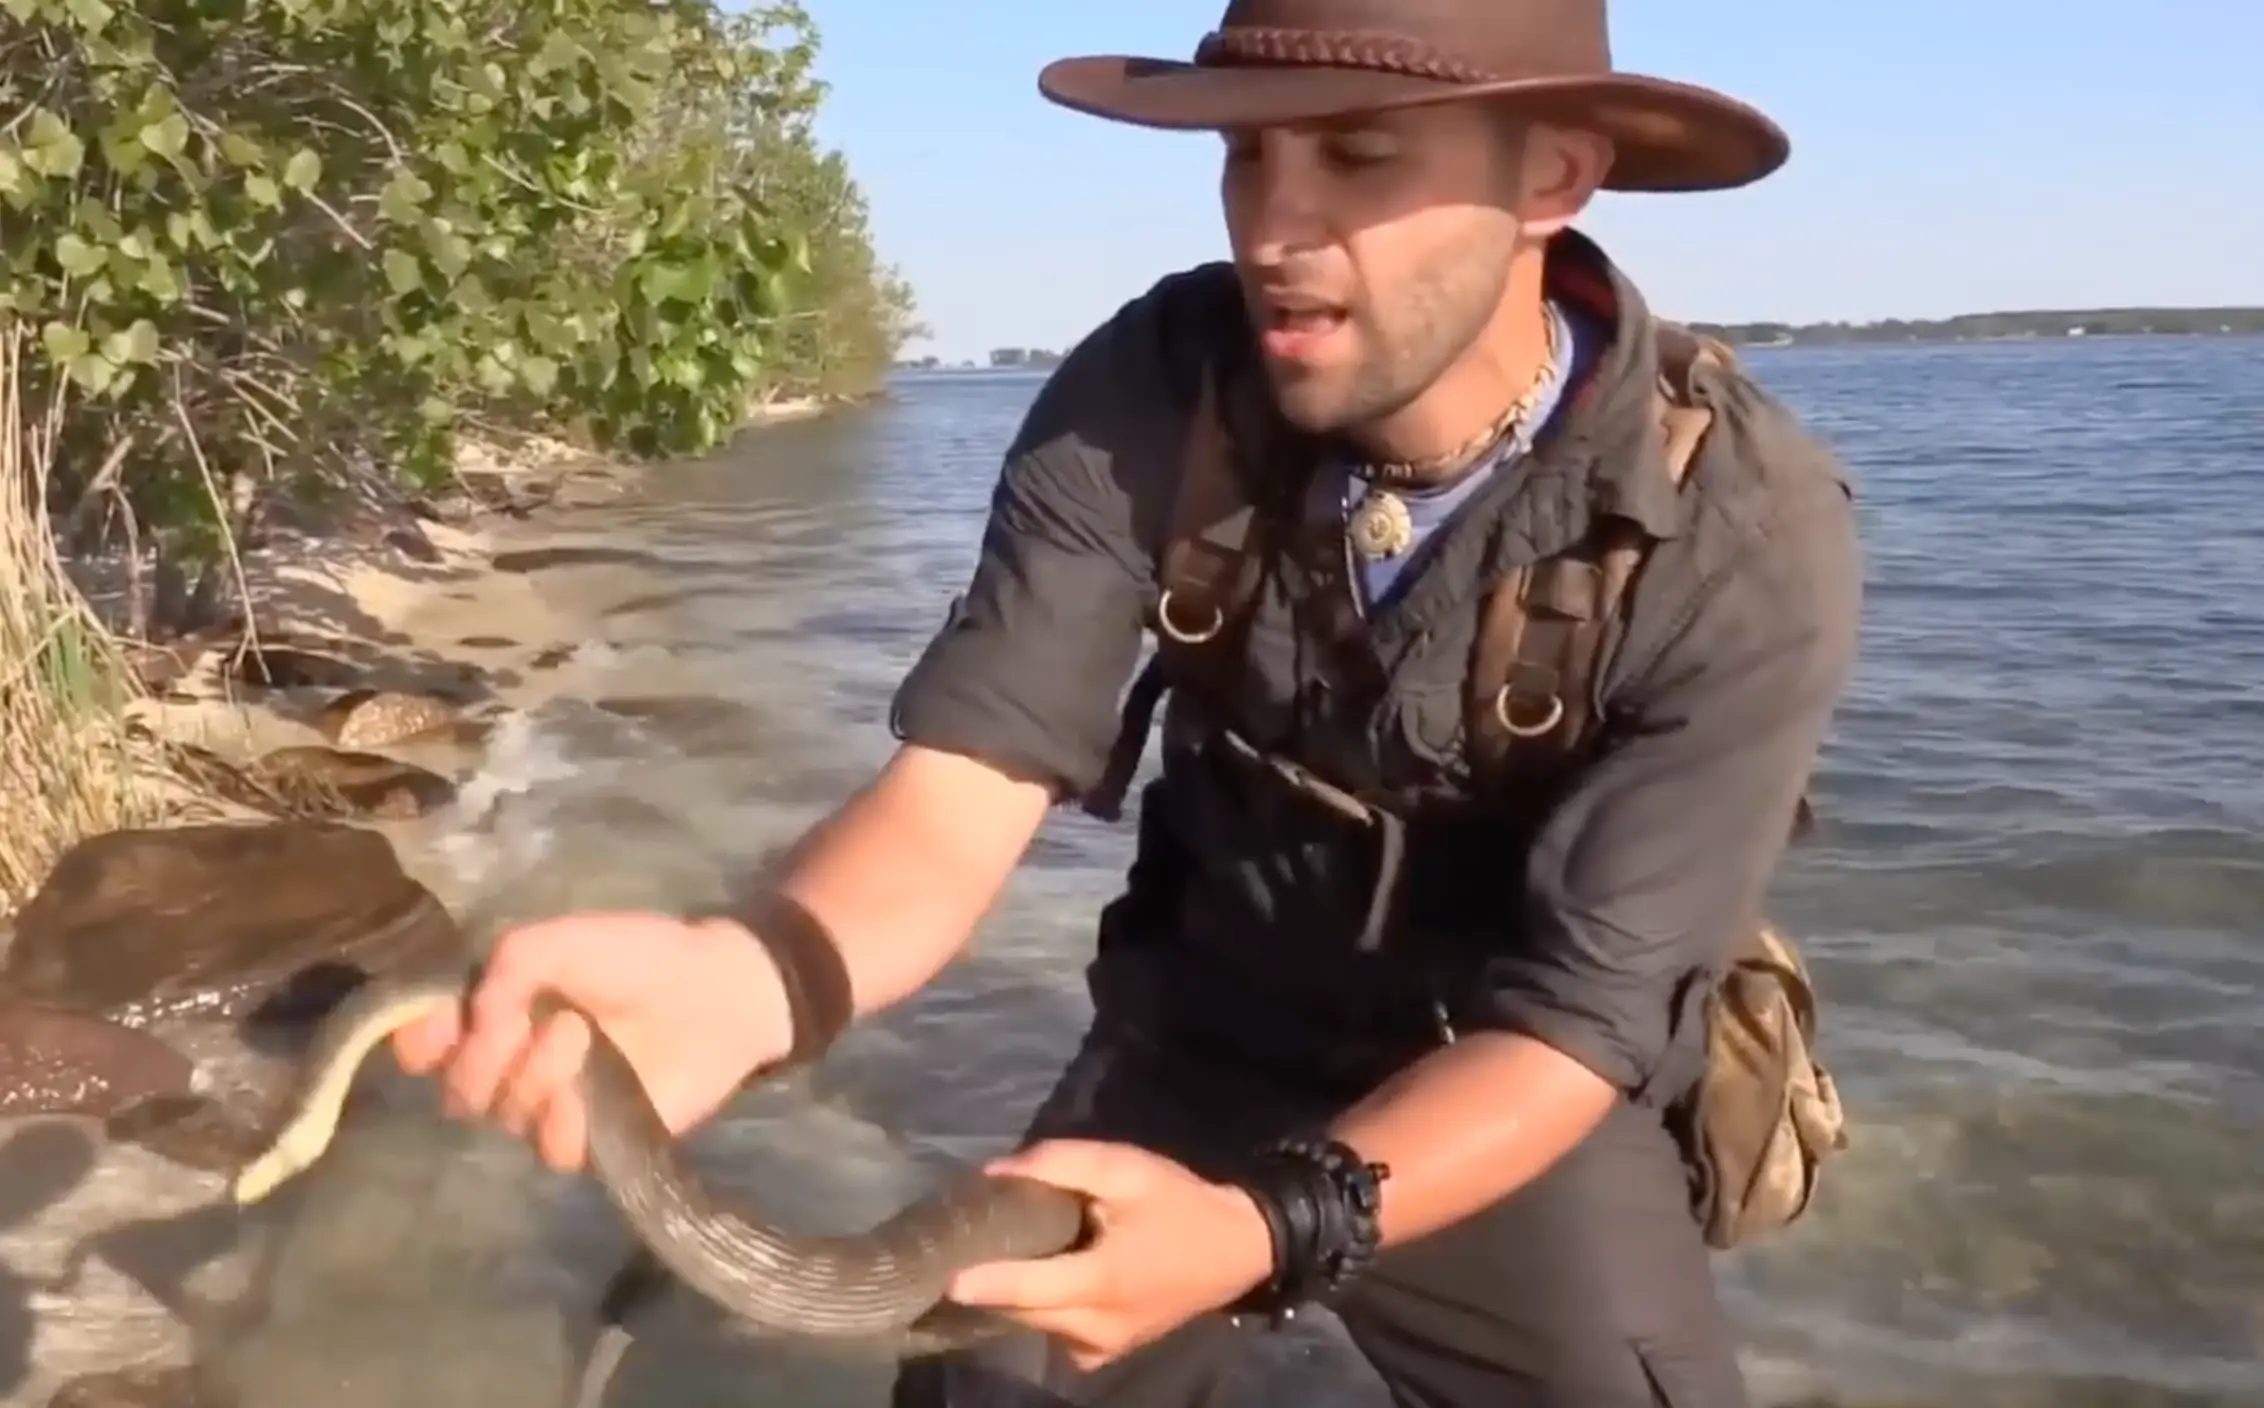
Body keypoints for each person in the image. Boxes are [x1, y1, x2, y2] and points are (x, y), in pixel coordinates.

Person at [393, 1, 1863, 1404]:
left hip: (1507, 1088)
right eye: (1246, 153)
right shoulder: (1153, 390)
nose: (1272, 227)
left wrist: (1266, 1227)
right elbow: (965, 792)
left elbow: (1581, 1025)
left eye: (1357, 155)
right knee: (983, 1383)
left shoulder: (1740, 527)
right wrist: (756, 972)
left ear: (1552, 176)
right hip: (1203, 1033)